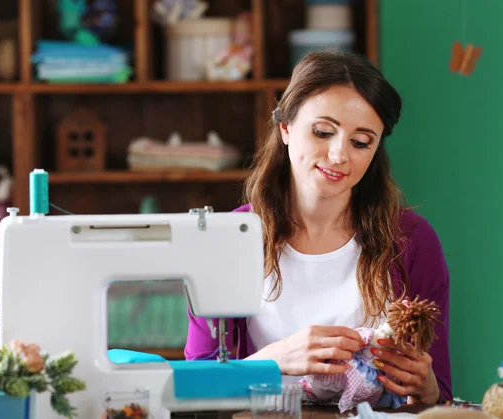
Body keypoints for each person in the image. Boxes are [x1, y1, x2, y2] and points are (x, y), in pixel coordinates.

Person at [184, 50, 452, 406]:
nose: (339, 155)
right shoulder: (228, 240)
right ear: (285, 128)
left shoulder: (414, 241)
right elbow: (196, 388)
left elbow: (441, 397)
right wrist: (276, 359)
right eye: (323, 132)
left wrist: (426, 388)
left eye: (361, 142)